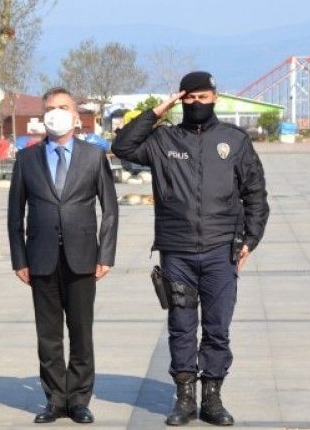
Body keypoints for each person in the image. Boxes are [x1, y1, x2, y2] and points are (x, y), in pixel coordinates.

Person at [112, 71, 270, 427]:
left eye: (203, 97)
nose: (196, 104)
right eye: (189, 98)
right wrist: (156, 112)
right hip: (177, 251)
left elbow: (256, 193)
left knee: (217, 328)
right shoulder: (164, 140)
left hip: (220, 251)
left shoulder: (235, 140)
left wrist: (250, 239)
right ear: (181, 100)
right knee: (181, 326)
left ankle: (212, 397)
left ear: (215, 98)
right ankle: (184, 397)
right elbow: (122, 147)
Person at [7, 87, 119, 424]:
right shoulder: (27, 159)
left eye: (63, 107)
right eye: (50, 108)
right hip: (40, 259)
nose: (56, 113)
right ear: (43, 116)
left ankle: (80, 399)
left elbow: (110, 209)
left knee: (81, 332)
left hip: (83, 256)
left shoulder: (93, 156)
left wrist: (107, 254)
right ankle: (55, 399)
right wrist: (19, 259)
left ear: (75, 115)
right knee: (49, 334)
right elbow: (15, 213)